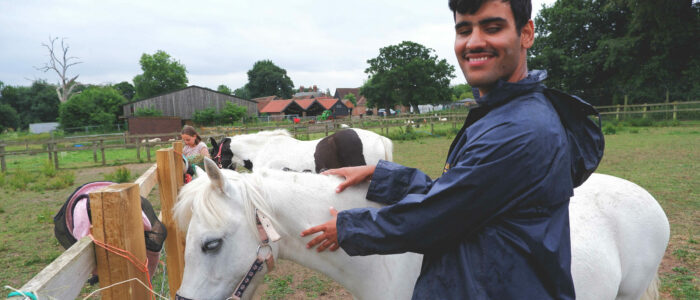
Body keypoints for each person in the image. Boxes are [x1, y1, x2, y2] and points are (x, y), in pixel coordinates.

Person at [301, 0, 604, 299]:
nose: (473, 42)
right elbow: (461, 196)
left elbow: (436, 216)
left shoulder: (519, 130)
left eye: (492, 27)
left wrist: (348, 227)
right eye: (463, 30)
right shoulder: (504, 113)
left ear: (526, 33)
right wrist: (379, 174)